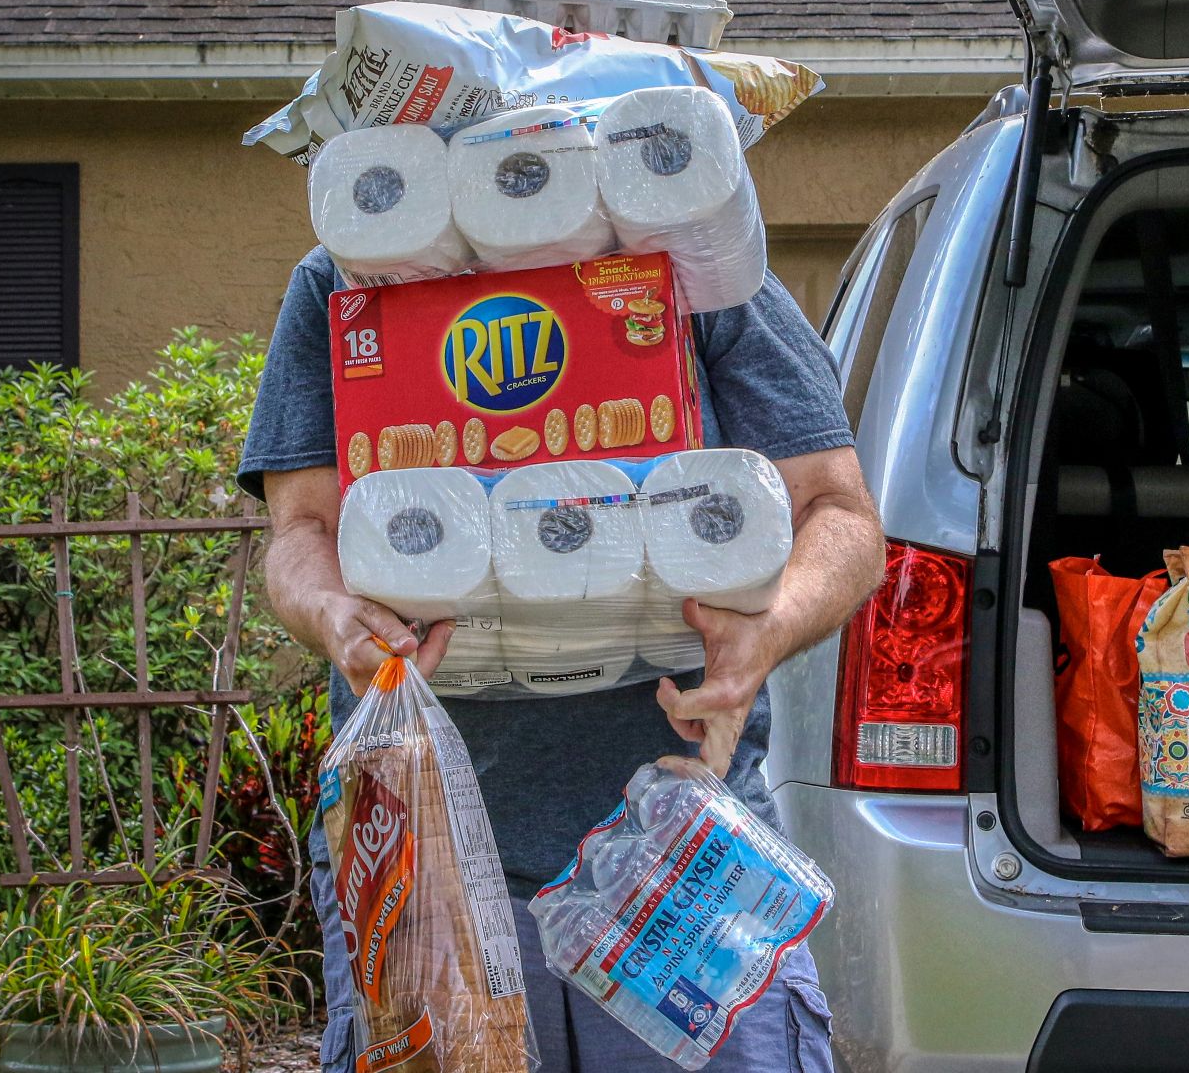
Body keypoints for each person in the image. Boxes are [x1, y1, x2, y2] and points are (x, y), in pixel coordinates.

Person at [238, 245, 884, 1072]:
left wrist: (772, 626)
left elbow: (838, 511)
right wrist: (334, 615)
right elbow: (302, 532)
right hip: (422, 861)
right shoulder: (351, 273)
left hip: (683, 849)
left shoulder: (685, 241)